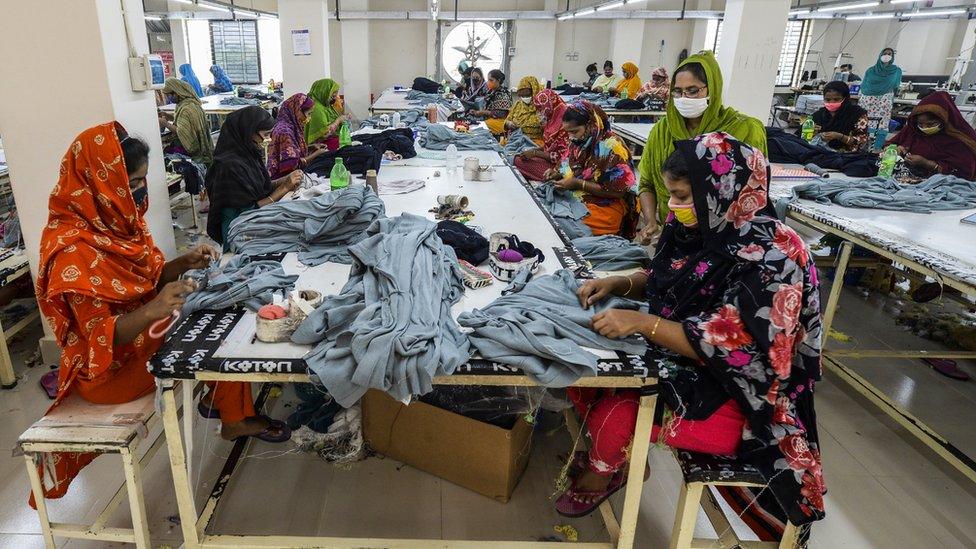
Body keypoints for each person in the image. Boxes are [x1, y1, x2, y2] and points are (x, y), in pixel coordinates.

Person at [558, 132, 825, 536]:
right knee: (578, 371)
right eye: (671, 195)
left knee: (613, 415)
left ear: (723, 190)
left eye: (684, 196)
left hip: (747, 397)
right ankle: (617, 457)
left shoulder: (775, 256)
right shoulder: (703, 225)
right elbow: (671, 277)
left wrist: (643, 323)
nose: (675, 206)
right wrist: (621, 283)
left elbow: (742, 352)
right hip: (690, 361)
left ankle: (606, 468)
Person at [31, 123, 291, 506]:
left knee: (220, 310)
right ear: (104, 182)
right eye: (132, 182)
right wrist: (156, 308)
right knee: (215, 332)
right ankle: (231, 414)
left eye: (139, 182)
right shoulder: (72, 251)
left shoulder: (116, 222)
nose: (138, 192)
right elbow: (97, 338)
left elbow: (144, 278)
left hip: (138, 339)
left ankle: (229, 407)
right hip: (109, 371)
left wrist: (182, 263)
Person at [637, 51, 766, 245]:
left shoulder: (743, 129)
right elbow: (646, 183)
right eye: (678, 92)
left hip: (725, 235)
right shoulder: (663, 130)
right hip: (674, 229)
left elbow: (755, 191)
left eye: (693, 91)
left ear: (712, 89)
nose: (683, 98)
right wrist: (651, 222)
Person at [207, 106, 303, 247]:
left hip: (253, 222)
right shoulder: (228, 167)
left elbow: (260, 187)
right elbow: (247, 211)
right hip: (238, 232)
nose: (269, 140)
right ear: (247, 132)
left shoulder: (248, 154)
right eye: (265, 135)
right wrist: (284, 188)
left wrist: (285, 180)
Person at [546, 101, 633, 236]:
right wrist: (557, 174)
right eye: (568, 133)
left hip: (605, 208)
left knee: (557, 222)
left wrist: (579, 183)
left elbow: (618, 192)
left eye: (574, 131)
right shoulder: (579, 143)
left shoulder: (612, 146)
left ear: (590, 125)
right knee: (547, 209)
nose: (571, 137)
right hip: (580, 199)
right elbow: (566, 166)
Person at [887, 90, 976, 181]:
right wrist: (896, 149)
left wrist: (927, 164)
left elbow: (964, 172)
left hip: (942, 183)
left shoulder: (960, 139)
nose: (924, 128)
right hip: (904, 177)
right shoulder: (913, 129)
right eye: (920, 124)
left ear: (944, 120)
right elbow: (888, 145)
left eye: (930, 124)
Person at [267, 93, 330, 179]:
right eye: (309, 114)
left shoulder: (290, 126)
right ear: (297, 111)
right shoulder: (285, 132)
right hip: (283, 180)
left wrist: (311, 147)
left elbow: (290, 150)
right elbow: (291, 164)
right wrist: (317, 154)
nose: (309, 118)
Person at [514, 89, 568, 181]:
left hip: (563, 166)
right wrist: (534, 150)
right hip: (551, 160)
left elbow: (562, 157)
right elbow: (550, 146)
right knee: (519, 158)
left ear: (549, 105)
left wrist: (536, 153)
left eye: (540, 109)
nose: (539, 113)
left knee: (519, 162)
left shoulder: (566, 122)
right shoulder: (552, 118)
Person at [158, 78, 215, 166]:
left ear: (176, 92)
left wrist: (166, 124)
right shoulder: (190, 103)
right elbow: (187, 122)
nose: (167, 98)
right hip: (199, 147)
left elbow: (182, 131)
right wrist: (169, 116)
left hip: (191, 150)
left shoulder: (186, 108)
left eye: (168, 95)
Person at [811, 80, 869, 152]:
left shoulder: (857, 114)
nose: (832, 102)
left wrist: (839, 136)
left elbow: (861, 141)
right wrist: (812, 131)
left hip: (847, 157)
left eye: (836, 99)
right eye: (828, 100)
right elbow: (801, 134)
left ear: (845, 98)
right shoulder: (819, 114)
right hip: (820, 152)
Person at [859, 48, 902, 133]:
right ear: (880, 55)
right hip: (868, 100)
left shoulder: (896, 71)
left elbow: (896, 85)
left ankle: (877, 143)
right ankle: (862, 140)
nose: (887, 55)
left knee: (882, 123)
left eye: (890, 54)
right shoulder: (871, 70)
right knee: (864, 121)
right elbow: (864, 84)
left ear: (892, 56)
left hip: (884, 100)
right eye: (885, 53)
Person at [305, 78, 352, 150]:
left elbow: (334, 119)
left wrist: (344, 117)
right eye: (333, 93)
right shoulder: (316, 108)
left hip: (330, 140)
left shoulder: (326, 105)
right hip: (320, 145)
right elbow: (325, 134)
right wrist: (339, 120)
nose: (336, 96)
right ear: (324, 91)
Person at [504, 76, 545, 144]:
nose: (525, 98)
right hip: (516, 139)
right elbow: (507, 119)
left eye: (527, 95)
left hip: (535, 142)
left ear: (534, 91)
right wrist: (508, 124)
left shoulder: (542, 106)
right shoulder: (518, 104)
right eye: (522, 96)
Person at [472, 69, 513, 135]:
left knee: (480, 128)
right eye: (488, 80)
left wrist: (483, 112)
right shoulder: (491, 92)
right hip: (491, 120)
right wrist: (477, 112)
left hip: (500, 122)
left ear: (498, 81)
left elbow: (501, 114)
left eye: (491, 80)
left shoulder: (503, 94)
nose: (488, 82)